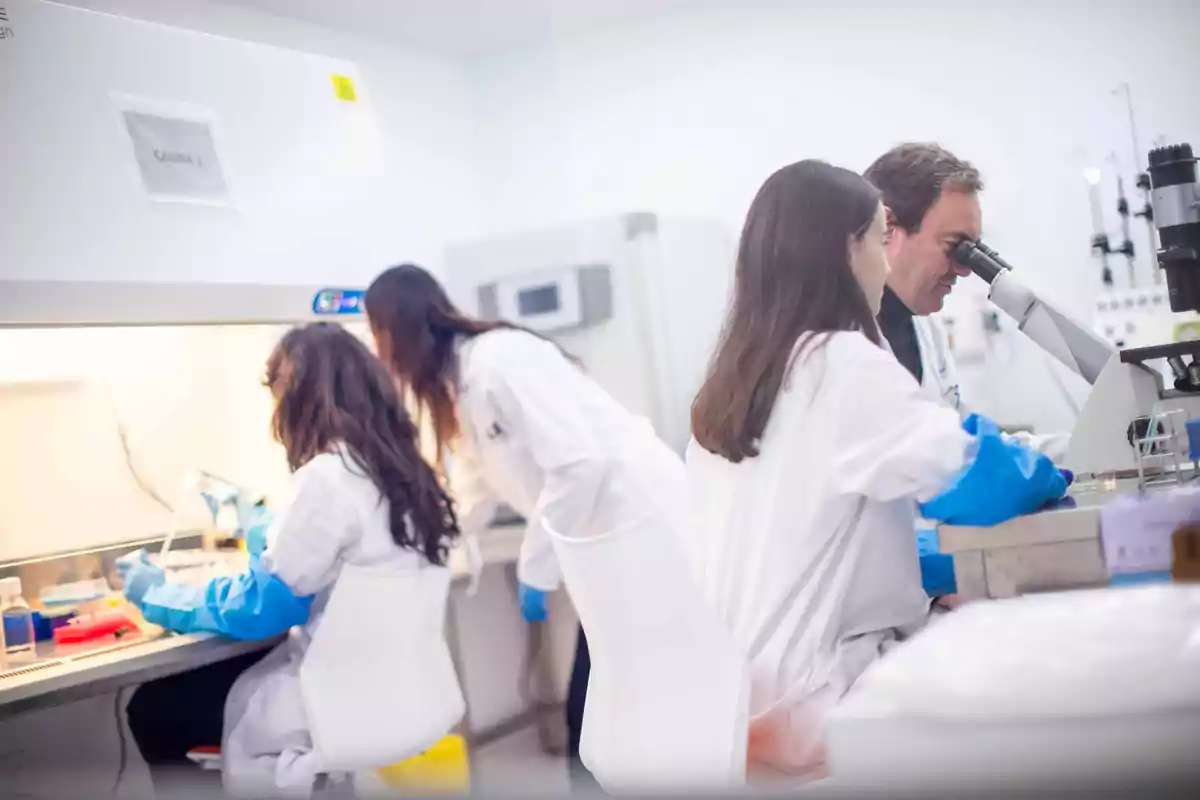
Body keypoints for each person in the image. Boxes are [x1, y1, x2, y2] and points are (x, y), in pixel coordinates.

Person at [686, 160, 1068, 780]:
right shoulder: (837, 363)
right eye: (875, 240)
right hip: (821, 705)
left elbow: (807, 539)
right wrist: (1050, 468)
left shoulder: (732, 383)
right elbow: (987, 485)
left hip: (735, 712)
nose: (885, 263)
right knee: (1046, 678)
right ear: (848, 249)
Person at [364, 264, 690, 785]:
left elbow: (580, 464)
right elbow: (476, 487)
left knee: (611, 719)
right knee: (604, 721)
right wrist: (422, 549)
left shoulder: (499, 359)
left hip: (641, 533)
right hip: (606, 548)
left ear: (396, 327)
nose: (377, 352)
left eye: (375, 333)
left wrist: (536, 569)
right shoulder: (459, 384)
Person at [120, 322, 460, 796]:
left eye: (278, 396)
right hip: (401, 697)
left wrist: (159, 594)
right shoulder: (408, 474)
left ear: (300, 399)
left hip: (335, 702)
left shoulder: (327, 478)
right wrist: (260, 524)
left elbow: (262, 607)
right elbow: (347, 550)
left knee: (154, 709)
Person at [864, 143, 1072, 600]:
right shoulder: (844, 349)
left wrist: (1079, 451)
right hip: (873, 605)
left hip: (920, 598)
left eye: (972, 250)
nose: (963, 270)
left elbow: (967, 444)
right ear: (888, 229)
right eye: (953, 247)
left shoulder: (928, 334)